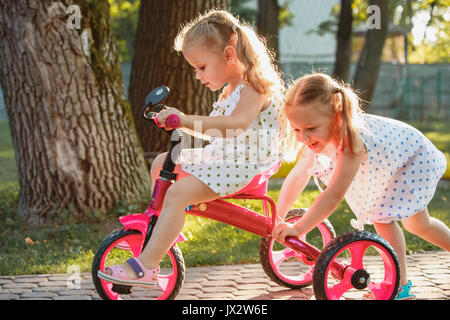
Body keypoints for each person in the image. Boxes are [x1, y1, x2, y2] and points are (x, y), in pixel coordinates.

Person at [98, 9, 287, 288]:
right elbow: (217, 128)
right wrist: (177, 123)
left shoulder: (253, 87)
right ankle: (160, 231)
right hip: (225, 158)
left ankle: (147, 267)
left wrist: (184, 119)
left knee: (177, 193)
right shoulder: (229, 89)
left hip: (245, 165)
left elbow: (234, 125)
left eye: (201, 67)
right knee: (162, 162)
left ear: (228, 54)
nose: (198, 76)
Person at [272, 72, 450, 300]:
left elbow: (333, 195)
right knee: (409, 223)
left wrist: (299, 228)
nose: (304, 137)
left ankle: (399, 288)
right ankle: (399, 285)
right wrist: (279, 217)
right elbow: (298, 177)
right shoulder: (316, 135)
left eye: (311, 129)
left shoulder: (351, 142)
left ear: (335, 117)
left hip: (413, 159)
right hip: (392, 161)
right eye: (296, 130)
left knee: (392, 220)